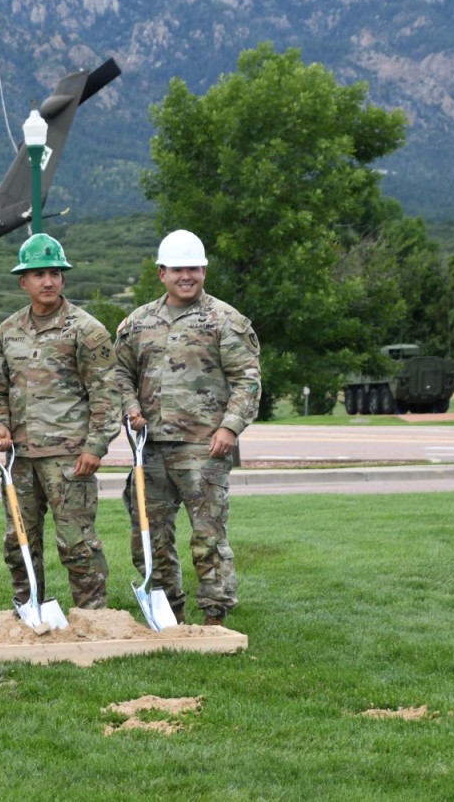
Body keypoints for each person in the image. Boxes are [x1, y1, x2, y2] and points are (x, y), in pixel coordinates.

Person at [113, 229, 261, 627]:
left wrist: (229, 428)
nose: (186, 276)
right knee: (149, 537)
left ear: (204, 271)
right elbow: (119, 372)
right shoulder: (138, 322)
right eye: (178, 269)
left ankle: (215, 615)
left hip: (203, 449)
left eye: (193, 269)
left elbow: (248, 379)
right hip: (151, 449)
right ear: (161, 272)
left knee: (208, 537)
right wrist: (130, 407)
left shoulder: (225, 321)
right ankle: (168, 612)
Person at [0, 234, 118, 609]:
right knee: (19, 541)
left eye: (55, 273)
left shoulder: (86, 330)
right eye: (39, 274)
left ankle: (92, 614)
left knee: (77, 543)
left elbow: (106, 394)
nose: (48, 281)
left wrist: (95, 447)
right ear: (23, 282)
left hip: (69, 458)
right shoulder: (8, 331)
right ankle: (29, 610)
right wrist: (0, 426)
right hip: (19, 459)